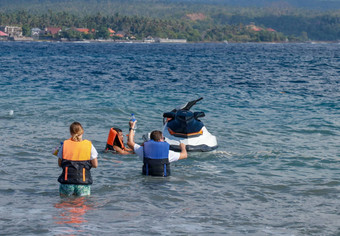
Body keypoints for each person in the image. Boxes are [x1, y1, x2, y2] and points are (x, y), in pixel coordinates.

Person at [57, 122, 98, 197]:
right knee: (82, 206)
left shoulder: (65, 144)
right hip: (83, 183)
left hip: (67, 182)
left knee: (65, 205)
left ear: (70, 133)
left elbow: (60, 164)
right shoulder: (89, 145)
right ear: (82, 131)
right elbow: (95, 165)